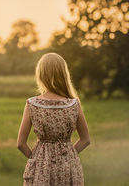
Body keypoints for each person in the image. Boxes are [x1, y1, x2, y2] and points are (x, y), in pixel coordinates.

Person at [17, 52, 90, 186]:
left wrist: (36, 158)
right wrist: (70, 154)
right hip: (68, 166)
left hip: (41, 168)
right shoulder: (74, 104)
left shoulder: (32, 104)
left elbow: (21, 144)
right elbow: (85, 140)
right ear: (63, 74)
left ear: (41, 75)